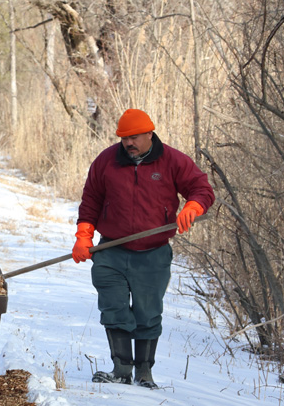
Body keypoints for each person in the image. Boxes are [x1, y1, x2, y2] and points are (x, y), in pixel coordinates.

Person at [73, 108, 214, 388]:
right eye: (124, 138)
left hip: (153, 252)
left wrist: (194, 206)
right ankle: (121, 370)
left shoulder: (173, 160)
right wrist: (83, 235)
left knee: (148, 313)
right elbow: (91, 200)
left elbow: (201, 187)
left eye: (134, 137)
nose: (128, 143)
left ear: (150, 133)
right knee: (113, 308)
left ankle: (144, 373)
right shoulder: (106, 161)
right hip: (111, 249)